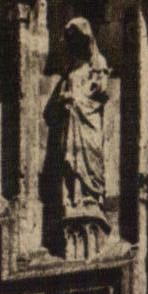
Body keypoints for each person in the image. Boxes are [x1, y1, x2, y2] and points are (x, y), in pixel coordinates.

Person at [57, 18, 110, 221]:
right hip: (74, 120)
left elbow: (102, 90)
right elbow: (63, 94)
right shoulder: (72, 70)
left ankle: (93, 197)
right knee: (73, 160)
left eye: (80, 39)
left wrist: (78, 99)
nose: (77, 44)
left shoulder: (98, 63)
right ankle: (76, 197)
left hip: (90, 119)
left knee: (90, 154)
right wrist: (67, 98)